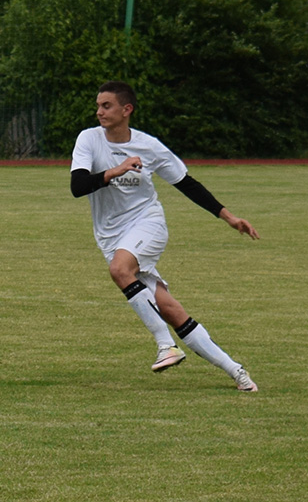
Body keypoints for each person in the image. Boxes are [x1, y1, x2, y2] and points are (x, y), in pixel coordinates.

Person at [70, 81, 259, 392]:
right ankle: (236, 371)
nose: (99, 111)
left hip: (147, 223)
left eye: (106, 106)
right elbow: (78, 187)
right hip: (110, 235)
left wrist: (228, 217)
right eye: (98, 105)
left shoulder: (149, 146)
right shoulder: (89, 139)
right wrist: (115, 170)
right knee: (170, 309)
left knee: (119, 270)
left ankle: (165, 345)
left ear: (126, 109)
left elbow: (187, 183)